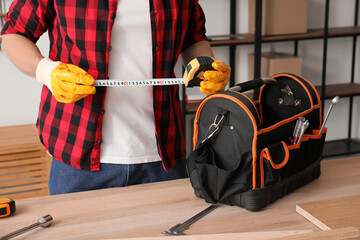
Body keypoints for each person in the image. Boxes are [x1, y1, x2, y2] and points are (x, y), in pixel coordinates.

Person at [1, 0, 230, 195]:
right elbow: (14, 34)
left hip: (164, 157)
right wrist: (46, 71)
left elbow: (194, 37)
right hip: (77, 154)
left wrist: (205, 65)